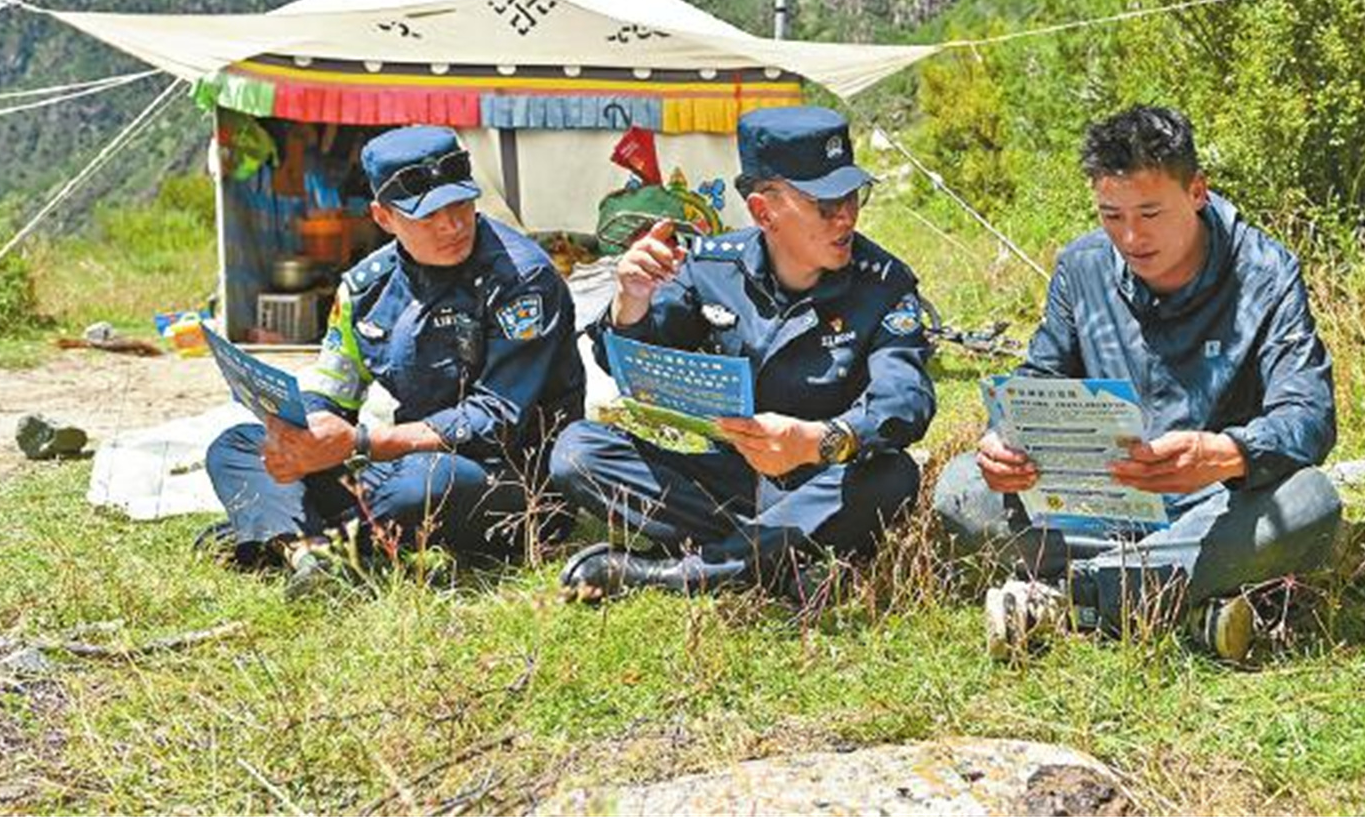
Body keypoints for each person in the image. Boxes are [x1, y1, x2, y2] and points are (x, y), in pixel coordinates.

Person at [933, 106, 1342, 662]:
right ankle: (1182, 600)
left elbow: (1308, 413)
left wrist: (1228, 453)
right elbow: (1039, 378)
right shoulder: (1081, 267)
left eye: (1150, 213)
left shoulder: (1266, 273)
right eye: (1111, 215)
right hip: (1094, 504)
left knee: (1310, 501)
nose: (1130, 236)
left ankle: (1069, 599)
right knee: (960, 485)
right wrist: (1004, 440)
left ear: (1196, 192)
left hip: (1213, 504)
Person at [550, 106, 934, 599]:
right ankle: (777, 557)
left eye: (852, 195)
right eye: (824, 204)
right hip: (732, 478)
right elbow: (632, 366)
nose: (846, 216)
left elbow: (905, 399)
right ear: (762, 211)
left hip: (827, 478)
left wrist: (817, 441)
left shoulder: (884, 283)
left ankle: (674, 573)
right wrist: (631, 300)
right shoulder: (713, 268)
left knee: (893, 477)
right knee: (578, 451)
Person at [204, 125, 586, 594]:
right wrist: (306, 433)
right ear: (383, 217)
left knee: (424, 484)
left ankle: (285, 533)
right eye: (428, 215)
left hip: (507, 482)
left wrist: (360, 443)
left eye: (461, 204)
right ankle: (308, 553)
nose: (452, 225)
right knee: (240, 444)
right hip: (400, 463)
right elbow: (333, 386)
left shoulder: (522, 280)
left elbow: (497, 420)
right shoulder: (365, 289)